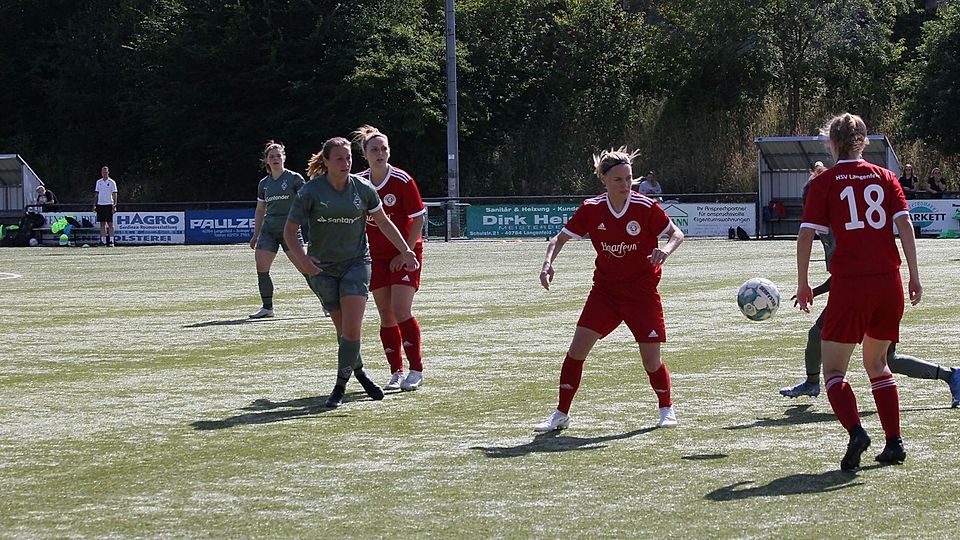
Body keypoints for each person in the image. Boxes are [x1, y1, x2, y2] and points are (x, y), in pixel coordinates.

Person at [796, 112, 921, 471]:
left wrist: (804, 282)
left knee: (834, 370)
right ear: (864, 142)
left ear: (832, 144)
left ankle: (856, 432)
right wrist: (914, 275)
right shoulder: (886, 178)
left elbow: (806, 235)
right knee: (879, 364)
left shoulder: (825, 182)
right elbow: (905, 226)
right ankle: (894, 442)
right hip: (889, 283)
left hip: (851, 285)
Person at [533, 147, 685, 432]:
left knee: (651, 362)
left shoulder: (646, 207)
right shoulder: (591, 209)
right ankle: (561, 414)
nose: (625, 185)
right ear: (603, 180)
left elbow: (677, 234)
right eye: (618, 180)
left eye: (628, 179)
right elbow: (558, 239)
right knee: (575, 352)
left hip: (641, 295)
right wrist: (547, 265)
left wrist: (665, 251)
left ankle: (666, 408)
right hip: (605, 294)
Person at [284, 137, 419, 409]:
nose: (346, 163)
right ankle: (359, 372)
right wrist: (303, 261)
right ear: (326, 161)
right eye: (339, 159)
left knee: (353, 327)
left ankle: (338, 388)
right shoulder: (311, 192)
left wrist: (406, 250)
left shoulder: (363, 188)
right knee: (343, 331)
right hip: (323, 270)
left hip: (357, 264)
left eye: (348, 158)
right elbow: (289, 231)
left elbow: (383, 222)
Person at [780, 275, 960, 409]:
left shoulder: (850, 230)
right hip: (854, 295)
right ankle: (812, 383)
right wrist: (815, 291)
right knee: (816, 335)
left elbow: (853, 267)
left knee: (887, 360)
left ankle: (951, 375)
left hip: (873, 295)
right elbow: (842, 271)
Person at [353, 125, 427, 391]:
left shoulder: (402, 180)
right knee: (385, 314)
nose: (380, 153)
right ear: (364, 153)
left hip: (406, 252)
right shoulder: (358, 182)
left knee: (400, 309)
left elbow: (418, 219)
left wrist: (405, 251)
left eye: (384, 148)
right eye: (374, 149)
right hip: (375, 257)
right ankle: (396, 371)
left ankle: (416, 369)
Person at [248, 141, 306, 319]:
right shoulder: (264, 184)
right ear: (266, 160)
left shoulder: (295, 179)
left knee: (306, 267)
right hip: (269, 231)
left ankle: (327, 304)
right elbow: (260, 210)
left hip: (290, 230)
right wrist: (255, 234)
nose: (275, 159)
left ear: (284, 158)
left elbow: (307, 203)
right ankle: (267, 308)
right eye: (271, 156)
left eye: (278, 155)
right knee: (261, 266)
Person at [93, 166, 118, 246]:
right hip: (100, 204)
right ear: (101, 173)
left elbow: (114, 194)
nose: (104, 174)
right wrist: (94, 204)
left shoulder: (112, 182)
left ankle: (111, 241)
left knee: (110, 223)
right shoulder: (98, 182)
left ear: (108, 172)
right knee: (102, 223)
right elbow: (96, 194)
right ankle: (103, 241)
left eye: (106, 172)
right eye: (103, 172)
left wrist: (114, 205)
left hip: (109, 204)